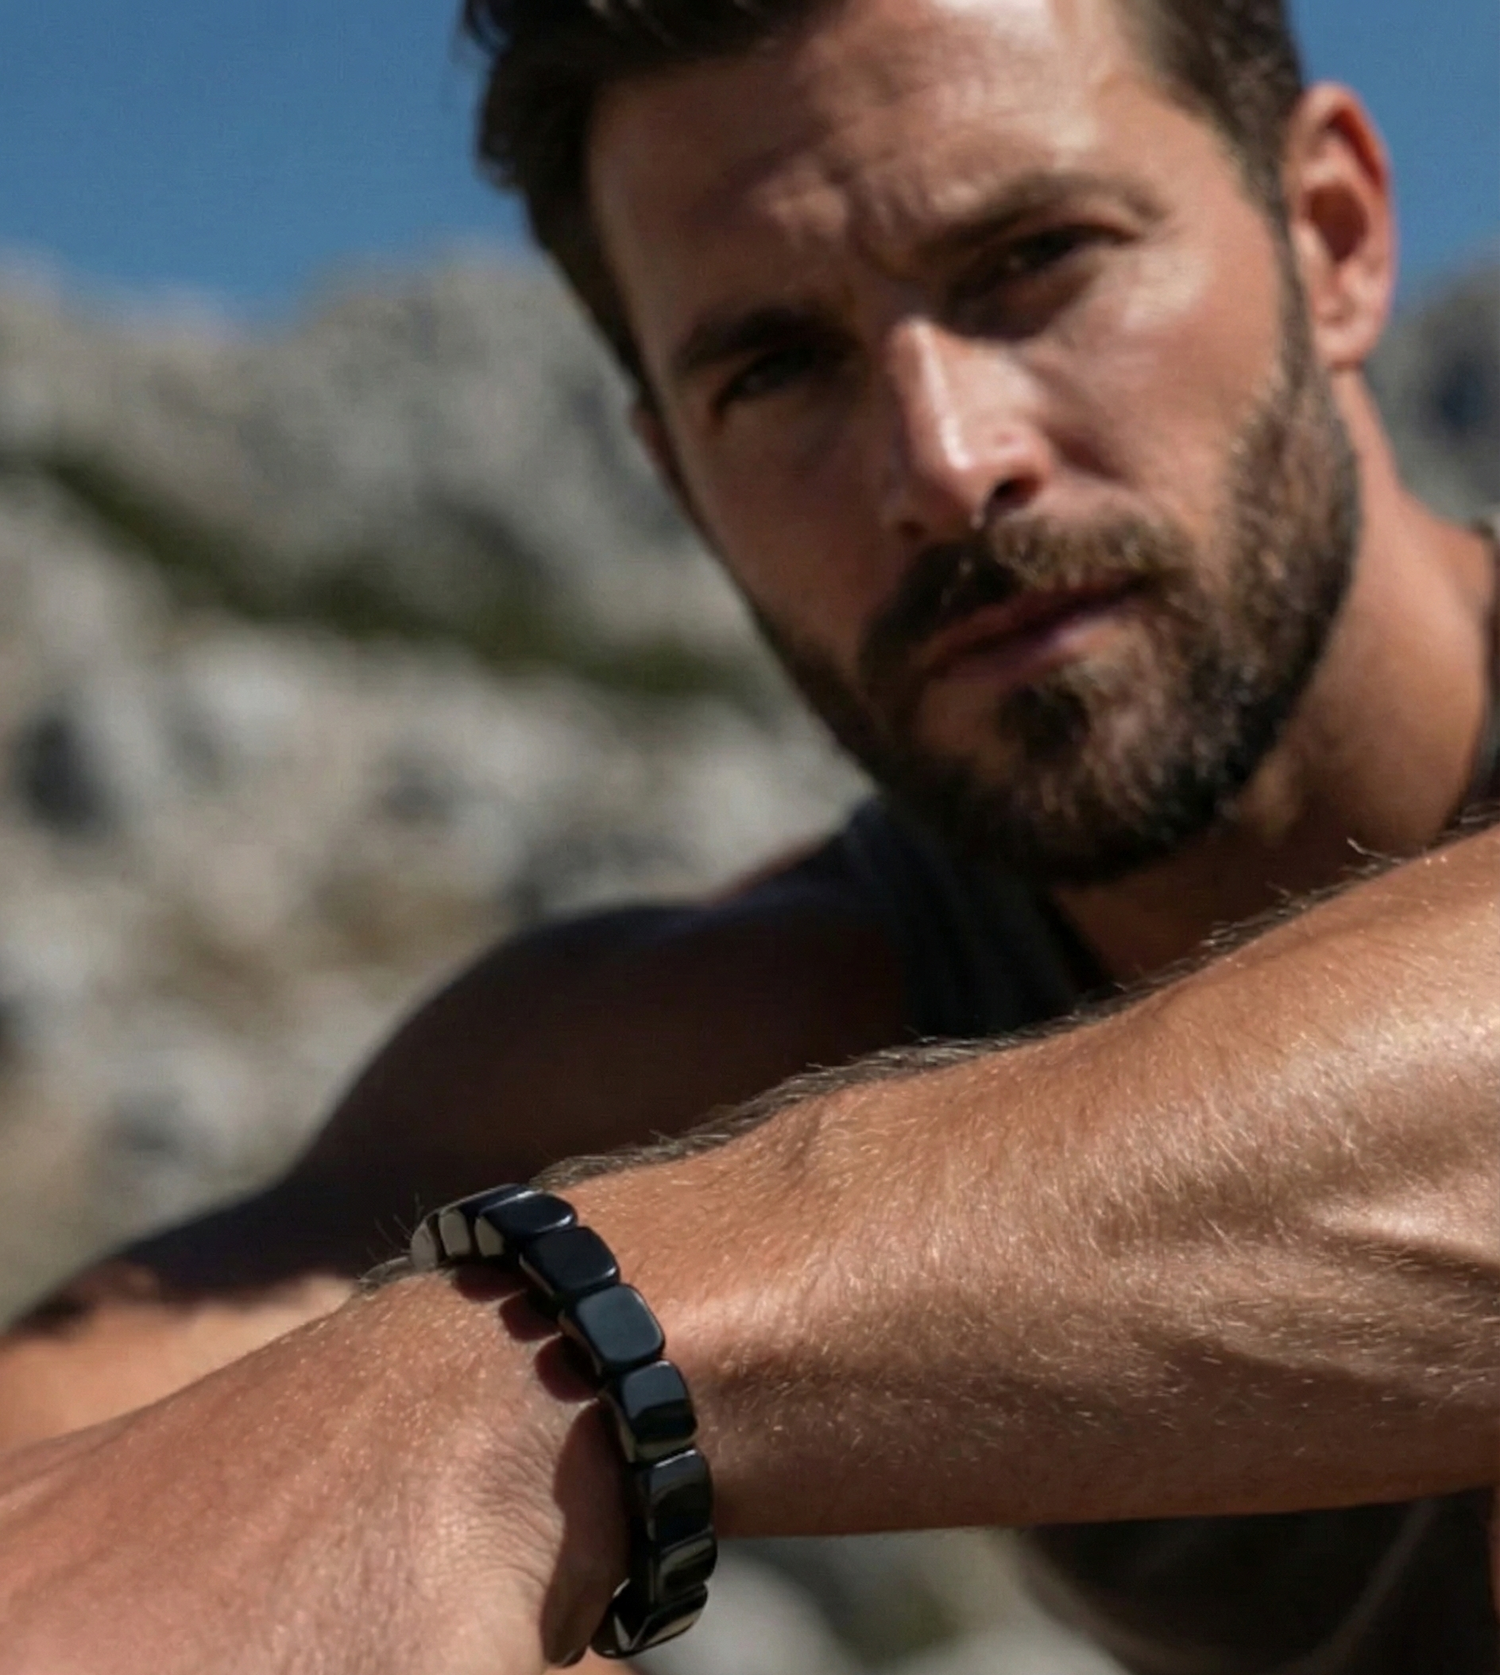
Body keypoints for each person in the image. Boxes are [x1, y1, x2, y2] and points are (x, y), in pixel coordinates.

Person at [0, 0, 1496, 1668]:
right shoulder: (765, 1015)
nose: (946, 462)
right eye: (775, 368)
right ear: (676, 475)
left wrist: (523, 1370)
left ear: (1333, 235)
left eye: (1035, 260)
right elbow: (77, 1463)